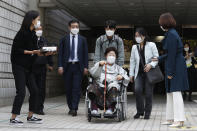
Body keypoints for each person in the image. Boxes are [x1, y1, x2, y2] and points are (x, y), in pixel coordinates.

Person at [152, 12, 189, 127]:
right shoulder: (171, 33)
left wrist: (170, 72)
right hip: (175, 64)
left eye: (160, 23)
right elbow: (170, 54)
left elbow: (172, 55)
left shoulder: (171, 35)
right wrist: (158, 58)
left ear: (164, 23)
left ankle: (179, 119)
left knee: (176, 92)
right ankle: (170, 118)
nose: (160, 25)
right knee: (170, 93)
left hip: (175, 66)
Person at [10, 10, 43, 125]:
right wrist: (31, 52)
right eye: (38, 19)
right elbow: (16, 50)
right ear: (32, 20)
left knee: (35, 90)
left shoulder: (33, 34)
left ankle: (31, 116)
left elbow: (35, 51)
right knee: (21, 92)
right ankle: (13, 117)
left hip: (29, 68)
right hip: (18, 66)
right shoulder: (21, 33)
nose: (39, 22)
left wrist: (42, 53)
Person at [58, 19, 88, 116]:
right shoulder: (64, 39)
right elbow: (60, 54)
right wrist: (60, 66)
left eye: (77, 27)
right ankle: (70, 107)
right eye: (73, 26)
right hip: (67, 67)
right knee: (68, 88)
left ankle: (74, 108)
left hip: (78, 66)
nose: (75, 28)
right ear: (69, 27)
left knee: (76, 88)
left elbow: (85, 54)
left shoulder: (83, 39)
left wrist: (86, 67)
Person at [88, 47, 130, 115]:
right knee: (93, 87)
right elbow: (93, 74)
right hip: (100, 85)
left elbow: (127, 77)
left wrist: (122, 76)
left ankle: (110, 109)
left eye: (113, 55)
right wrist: (99, 65)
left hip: (112, 86)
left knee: (114, 88)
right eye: (110, 55)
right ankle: (94, 108)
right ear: (106, 56)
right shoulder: (100, 64)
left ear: (116, 57)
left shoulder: (118, 68)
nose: (111, 57)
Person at [129, 28, 159, 119]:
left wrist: (151, 65)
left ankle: (147, 112)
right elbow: (132, 61)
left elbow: (156, 57)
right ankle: (140, 111)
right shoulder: (135, 47)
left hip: (149, 73)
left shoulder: (151, 45)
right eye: (136, 36)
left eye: (139, 36)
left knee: (148, 93)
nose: (137, 38)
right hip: (139, 73)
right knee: (137, 90)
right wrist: (131, 74)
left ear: (144, 36)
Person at [33, 27, 54, 115]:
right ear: (33, 30)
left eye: (41, 29)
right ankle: (33, 107)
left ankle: (40, 108)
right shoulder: (30, 39)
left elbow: (48, 53)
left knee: (41, 88)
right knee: (33, 88)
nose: (40, 31)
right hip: (31, 67)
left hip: (42, 67)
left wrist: (50, 64)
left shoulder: (44, 40)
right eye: (38, 29)